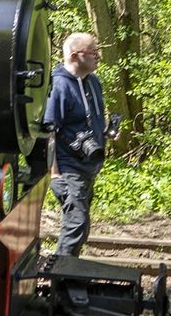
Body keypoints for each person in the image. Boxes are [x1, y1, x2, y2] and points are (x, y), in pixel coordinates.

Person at [44, 32, 117, 257]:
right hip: (68, 169)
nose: (98, 56)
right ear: (75, 56)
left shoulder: (93, 82)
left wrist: (106, 132)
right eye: (93, 52)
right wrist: (54, 174)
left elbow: (88, 117)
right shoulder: (58, 86)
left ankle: (67, 275)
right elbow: (48, 132)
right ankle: (60, 278)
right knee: (76, 224)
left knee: (82, 227)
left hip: (88, 167)